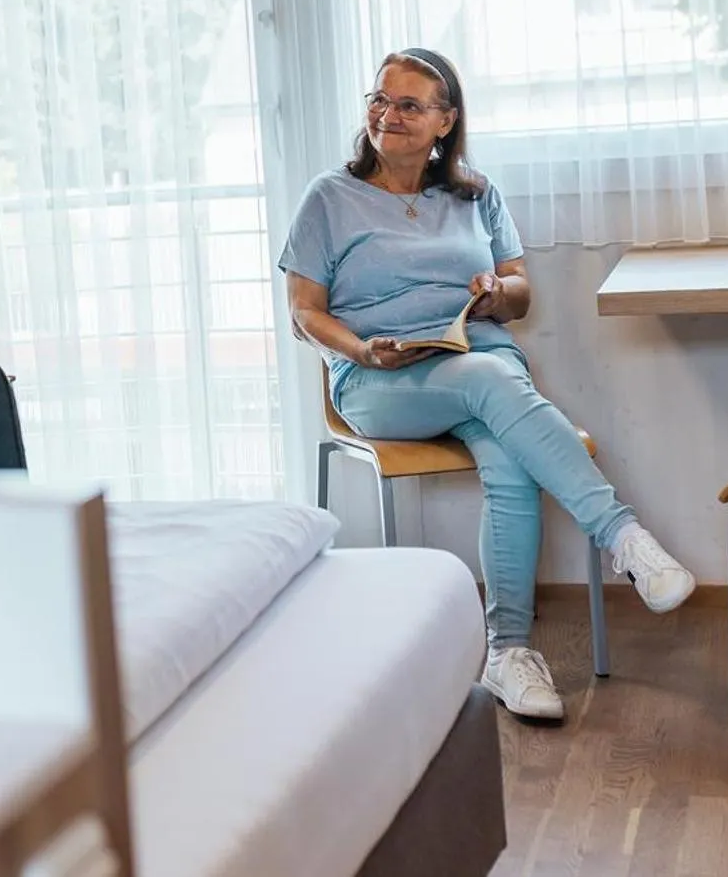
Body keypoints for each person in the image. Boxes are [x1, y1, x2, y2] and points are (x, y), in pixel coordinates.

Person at [279, 48, 694, 722]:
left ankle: (507, 653)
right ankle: (622, 537)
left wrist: (496, 292)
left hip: (480, 361)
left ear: (444, 122)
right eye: (378, 100)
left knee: (506, 451)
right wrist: (362, 348)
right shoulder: (329, 198)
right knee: (488, 381)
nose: (387, 114)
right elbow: (304, 313)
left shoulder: (475, 194)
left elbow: (520, 295)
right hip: (380, 380)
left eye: (409, 105)